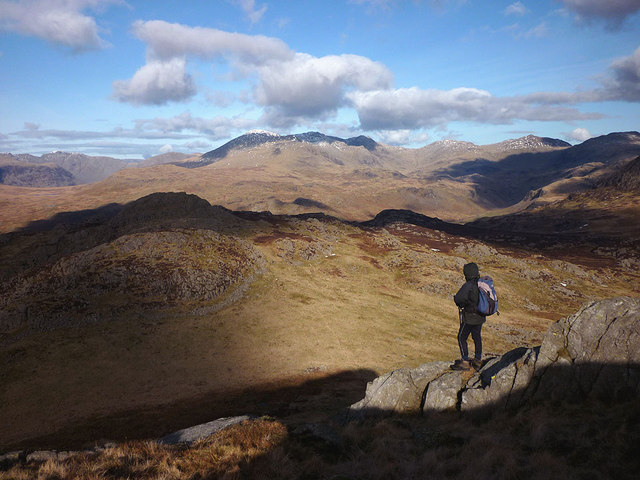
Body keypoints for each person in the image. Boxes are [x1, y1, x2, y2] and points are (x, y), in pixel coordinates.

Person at [451, 262, 485, 371]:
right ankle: (478, 360)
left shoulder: (468, 285)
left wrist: (457, 300)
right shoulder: (481, 284)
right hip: (480, 316)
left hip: (470, 317)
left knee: (462, 337)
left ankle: (465, 361)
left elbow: (459, 299)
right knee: (476, 337)